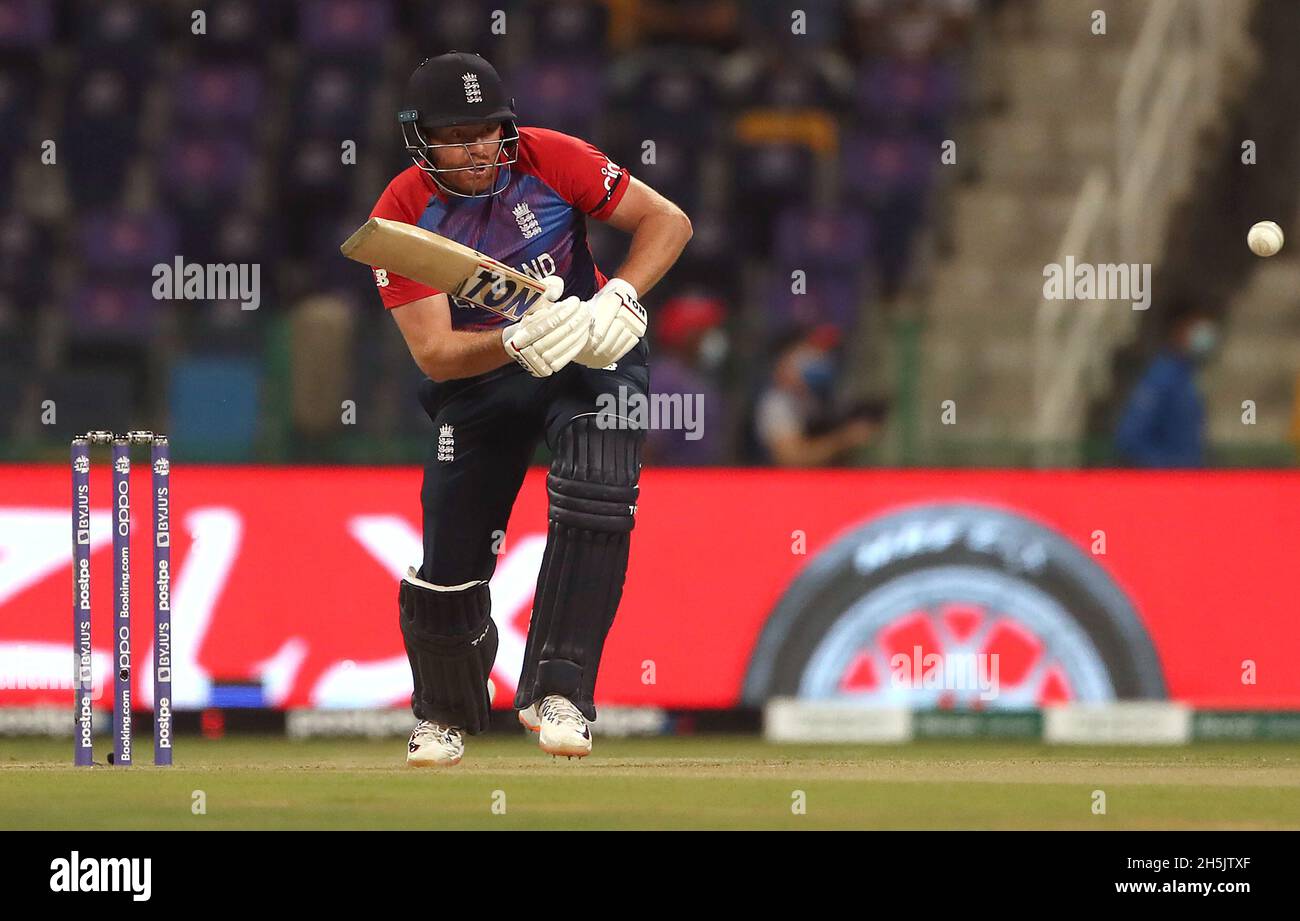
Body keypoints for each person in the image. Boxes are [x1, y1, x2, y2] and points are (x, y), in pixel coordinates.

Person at [362, 52, 691, 766]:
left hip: (586, 350)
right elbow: (435, 353)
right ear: (422, 140)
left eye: (489, 130)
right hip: (482, 376)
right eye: (459, 134)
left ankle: (561, 690)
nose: (480, 148)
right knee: (451, 550)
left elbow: (668, 221)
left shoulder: (550, 157)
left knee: (602, 477)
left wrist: (621, 295)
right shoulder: (401, 214)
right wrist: (513, 340)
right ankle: (443, 714)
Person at [752, 325, 884, 466]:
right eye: (807, 353)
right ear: (784, 360)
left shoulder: (813, 399)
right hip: (783, 485)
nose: (817, 358)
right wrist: (845, 438)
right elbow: (791, 458)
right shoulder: (777, 402)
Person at [1114, 309, 1217, 468]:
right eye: (1194, 329)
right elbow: (1130, 438)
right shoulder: (1161, 377)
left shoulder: (1188, 377)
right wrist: (1167, 468)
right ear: (1177, 330)